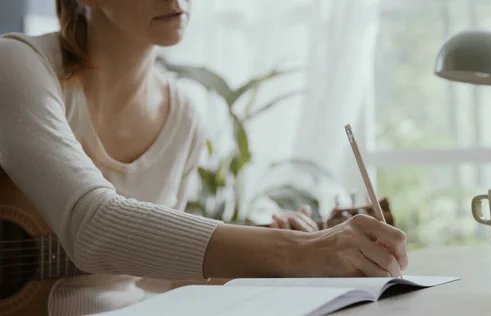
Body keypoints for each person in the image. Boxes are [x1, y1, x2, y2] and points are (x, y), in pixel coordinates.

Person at [0, 0, 408, 315]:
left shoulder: (183, 120)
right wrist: (291, 249)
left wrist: (288, 259)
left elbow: (162, 281)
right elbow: (94, 227)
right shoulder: (17, 65)